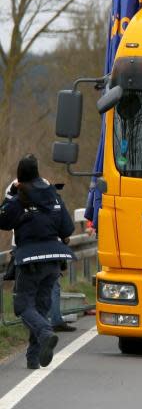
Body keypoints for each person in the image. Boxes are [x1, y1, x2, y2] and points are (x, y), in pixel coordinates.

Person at [0, 155, 75, 369]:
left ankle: (45, 333)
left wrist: (11, 196)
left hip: (30, 260)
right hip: (54, 260)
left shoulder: (19, 199)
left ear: (20, 178)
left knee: (23, 306)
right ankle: (33, 358)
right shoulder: (54, 196)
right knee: (40, 310)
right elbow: (67, 231)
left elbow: (2, 220)